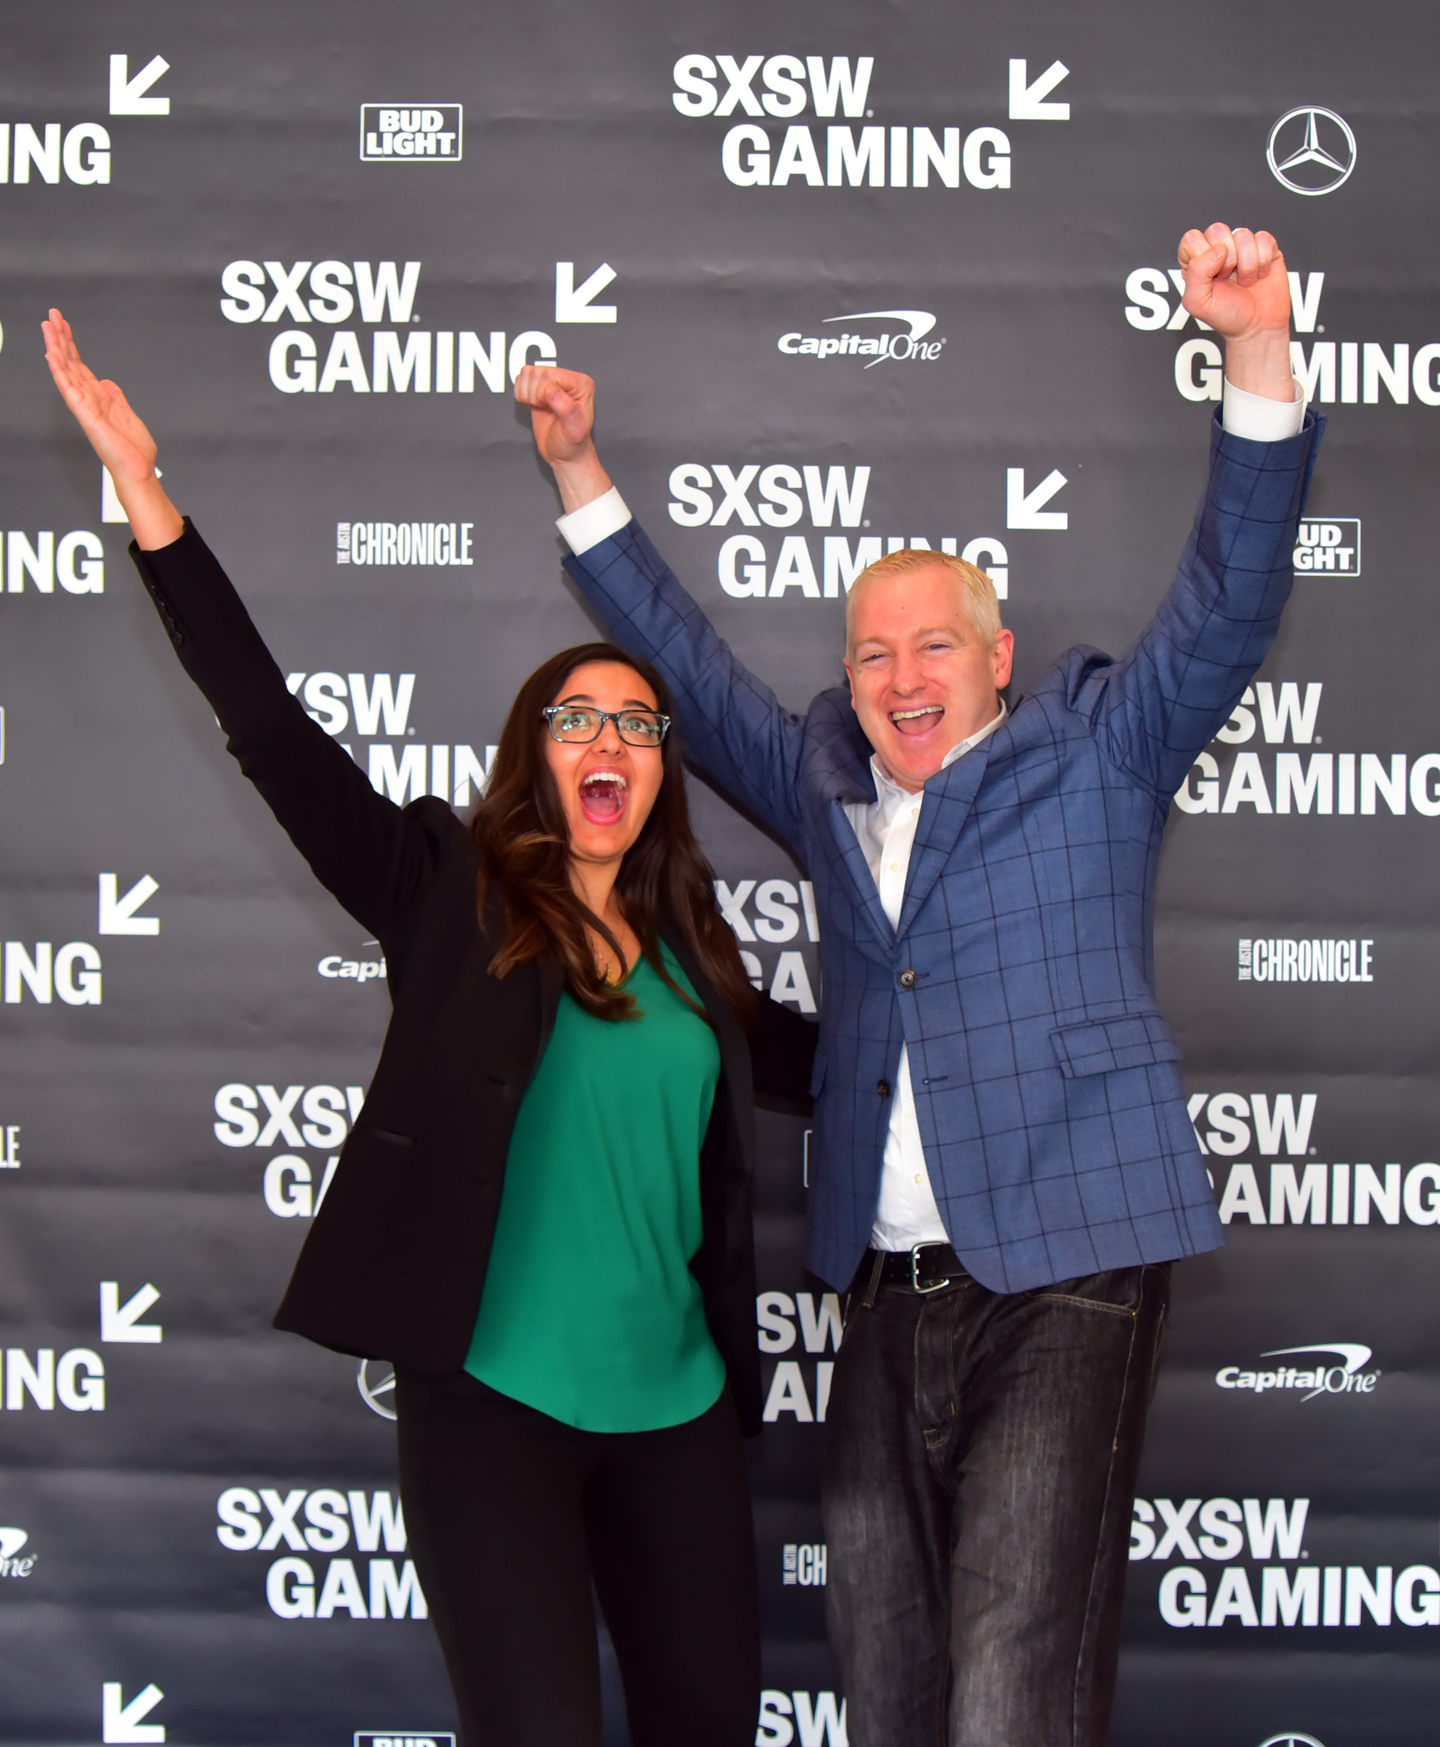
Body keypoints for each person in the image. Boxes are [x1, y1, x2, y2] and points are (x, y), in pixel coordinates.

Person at [514, 222, 1323, 1747]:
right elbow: (685, 668)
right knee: (888, 1696)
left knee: (1013, 1691)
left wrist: (1255, 351)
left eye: (933, 644)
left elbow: (1229, 597)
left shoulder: (1101, 748)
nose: (899, 677)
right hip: (885, 1300)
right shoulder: (824, 788)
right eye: (871, 651)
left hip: (1067, 1274)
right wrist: (579, 469)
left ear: (997, 656)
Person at [43, 309, 816, 1747]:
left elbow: (854, 1071)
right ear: (534, 758)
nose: (611, 743)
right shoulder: (442, 890)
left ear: (665, 777)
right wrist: (151, 500)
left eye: (642, 727)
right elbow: (271, 730)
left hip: (680, 1419)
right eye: (578, 720)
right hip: (494, 1412)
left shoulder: (700, 967)